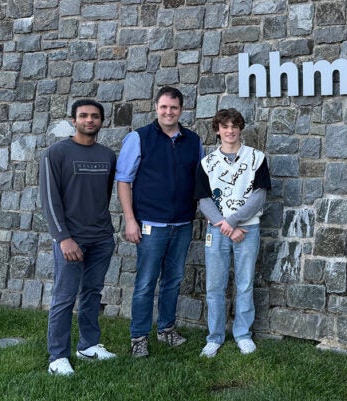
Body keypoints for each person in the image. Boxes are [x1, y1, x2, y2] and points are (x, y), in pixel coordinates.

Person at [116, 86, 203, 357]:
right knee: (145, 282)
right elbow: (124, 181)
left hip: (182, 223)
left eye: (174, 108)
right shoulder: (139, 138)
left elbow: (201, 180)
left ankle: (166, 330)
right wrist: (131, 220)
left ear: (181, 110)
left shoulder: (193, 140)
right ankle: (138, 337)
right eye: (164, 107)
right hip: (150, 223)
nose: (169, 112)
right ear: (156, 107)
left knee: (173, 280)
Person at [40, 99, 117, 376]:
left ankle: (89, 345)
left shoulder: (108, 155)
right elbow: (50, 200)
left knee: (92, 293)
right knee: (64, 296)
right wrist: (63, 238)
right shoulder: (56, 153)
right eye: (83, 116)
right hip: (71, 240)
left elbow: (104, 195)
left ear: (101, 121)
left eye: (95, 116)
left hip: (101, 238)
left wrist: (105, 234)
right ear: (74, 120)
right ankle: (57, 357)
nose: (89, 120)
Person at [194, 108, 271, 358]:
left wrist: (234, 222)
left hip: (248, 229)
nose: (230, 131)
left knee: (245, 283)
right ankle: (214, 337)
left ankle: (243, 335)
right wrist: (224, 225)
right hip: (217, 231)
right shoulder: (207, 163)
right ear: (217, 130)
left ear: (240, 129)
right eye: (225, 126)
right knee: (215, 286)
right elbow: (203, 199)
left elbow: (259, 196)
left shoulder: (256, 158)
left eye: (234, 126)